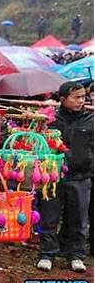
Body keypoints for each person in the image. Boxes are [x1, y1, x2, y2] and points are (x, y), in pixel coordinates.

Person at [37, 81, 93, 272]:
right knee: (49, 217)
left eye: (83, 97)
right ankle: (47, 253)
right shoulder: (51, 119)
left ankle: (76, 254)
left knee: (78, 218)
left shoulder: (90, 120)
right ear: (62, 99)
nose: (80, 101)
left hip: (81, 176)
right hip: (53, 176)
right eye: (75, 97)